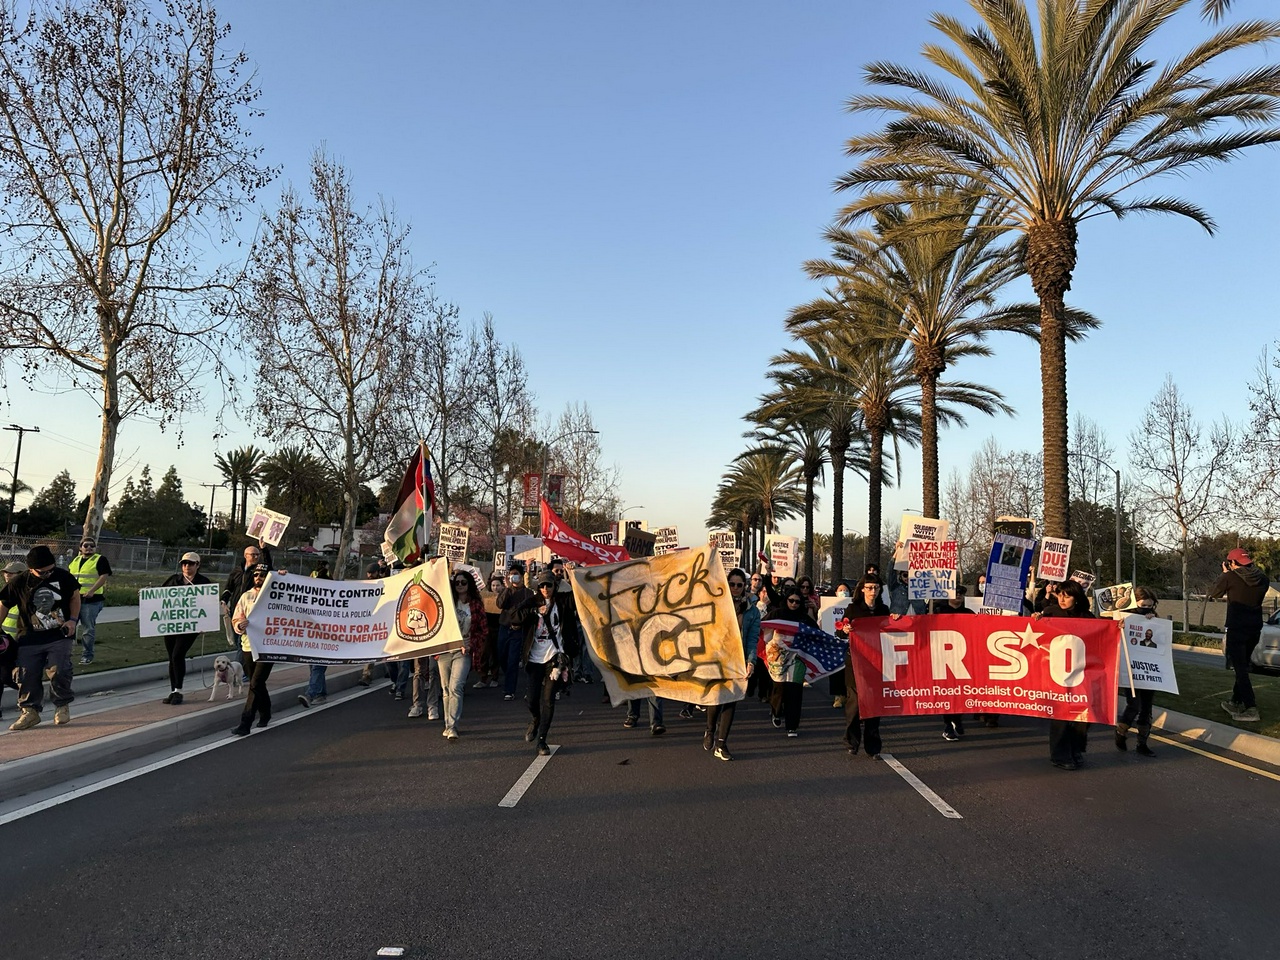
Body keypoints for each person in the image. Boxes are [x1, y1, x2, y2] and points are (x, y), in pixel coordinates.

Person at [0, 544, 80, 731]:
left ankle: (62, 706)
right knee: (26, 674)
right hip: (29, 637)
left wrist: (73, 620)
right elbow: (4, 604)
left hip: (59, 635)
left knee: (59, 669)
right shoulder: (19, 582)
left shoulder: (63, 577)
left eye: (50, 571)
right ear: (30, 569)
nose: (47, 575)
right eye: (42, 573)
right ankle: (30, 712)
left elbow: (75, 597)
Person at [516, 571, 580, 756]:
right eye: (542, 586)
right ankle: (536, 719)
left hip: (555, 657)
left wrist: (572, 573)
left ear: (555, 586)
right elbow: (513, 616)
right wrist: (534, 612)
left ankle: (542, 740)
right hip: (534, 657)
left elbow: (579, 596)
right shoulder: (533, 602)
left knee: (549, 699)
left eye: (549, 585)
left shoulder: (562, 601)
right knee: (531, 699)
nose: (545, 589)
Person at [1035, 578, 1094, 770]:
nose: (1062, 599)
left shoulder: (1087, 617)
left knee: (1081, 718)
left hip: (1080, 673)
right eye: (1060, 595)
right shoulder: (1051, 613)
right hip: (1057, 672)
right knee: (1061, 716)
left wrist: (1117, 628)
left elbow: (1101, 637)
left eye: (1067, 596)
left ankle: (1076, 750)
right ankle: (1060, 756)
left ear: (1076, 598)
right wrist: (1036, 619)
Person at [703, 567, 758, 760]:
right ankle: (710, 730)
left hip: (738, 659)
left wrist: (751, 662)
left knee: (731, 701)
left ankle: (721, 743)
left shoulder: (752, 611)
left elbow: (752, 638)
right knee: (716, 698)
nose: (735, 588)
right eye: (732, 584)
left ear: (745, 587)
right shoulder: (718, 604)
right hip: (717, 657)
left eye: (739, 585)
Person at [1209, 548, 1270, 723]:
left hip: (1237, 628)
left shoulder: (1230, 577)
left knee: (1240, 669)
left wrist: (1225, 575)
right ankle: (1235, 701)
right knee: (1242, 666)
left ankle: (1251, 708)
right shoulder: (1263, 579)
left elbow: (1215, 593)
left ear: (1233, 563)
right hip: (1255, 628)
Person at [843, 577, 894, 758]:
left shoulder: (883, 610)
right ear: (862, 589)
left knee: (874, 705)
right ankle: (852, 741)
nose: (873, 591)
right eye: (869, 588)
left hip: (876, 664)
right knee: (855, 705)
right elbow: (840, 629)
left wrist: (895, 621)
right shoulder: (853, 609)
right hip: (856, 663)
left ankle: (873, 747)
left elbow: (890, 631)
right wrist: (845, 630)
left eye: (876, 587)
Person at [434, 568, 486, 739]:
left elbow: (482, 630)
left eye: (463, 582)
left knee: (456, 687)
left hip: (463, 650)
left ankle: (452, 725)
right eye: (457, 583)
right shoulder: (447, 602)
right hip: (445, 649)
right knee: (446, 688)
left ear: (469, 584)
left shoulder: (476, 605)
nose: (460, 585)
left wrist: (471, 644)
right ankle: (448, 723)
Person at [762, 587, 816, 737]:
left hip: (797, 658)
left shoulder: (804, 618)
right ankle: (776, 712)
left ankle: (792, 726)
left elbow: (816, 632)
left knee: (795, 690)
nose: (794, 604)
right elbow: (763, 628)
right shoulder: (777, 614)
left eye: (797, 602)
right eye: (791, 600)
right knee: (779, 687)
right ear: (786, 600)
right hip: (778, 656)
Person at [159, 552, 211, 705]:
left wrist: (205, 623)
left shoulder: (203, 582)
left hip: (191, 626)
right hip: (171, 624)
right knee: (172, 658)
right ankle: (173, 690)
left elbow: (208, 605)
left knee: (177, 655)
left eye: (190, 563)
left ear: (197, 565)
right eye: (184, 563)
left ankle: (179, 690)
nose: (187, 566)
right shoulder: (173, 580)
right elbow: (159, 597)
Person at [1116, 586, 1160, 756]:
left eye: (1150, 606)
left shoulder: (1154, 619)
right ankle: (1121, 731)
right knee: (1134, 705)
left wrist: (1152, 620)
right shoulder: (1125, 617)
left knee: (1146, 708)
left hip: (1149, 670)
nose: (1146, 609)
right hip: (1131, 669)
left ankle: (1142, 743)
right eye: (1143, 606)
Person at [230, 564, 273, 736]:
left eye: (262, 575)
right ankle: (265, 713)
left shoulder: (276, 597)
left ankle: (245, 723)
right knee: (258, 683)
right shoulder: (246, 596)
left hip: (269, 647)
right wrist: (240, 625)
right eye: (256, 574)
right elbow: (236, 619)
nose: (258, 578)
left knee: (255, 683)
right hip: (248, 645)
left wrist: (283, 577)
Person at [932, 585, 974, 741]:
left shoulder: (969, 614)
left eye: (961, 594)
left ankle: (957, 719)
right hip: (943, 659)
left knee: (961, 693)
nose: (958, 596)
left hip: (962, 660)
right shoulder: (938, 612)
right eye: (955, 593)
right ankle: (948, 726)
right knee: (947, 694)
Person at [68, 535, 111, 665]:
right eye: (86, 546)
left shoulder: (100, 559)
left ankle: (87, 655)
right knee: (70, 627)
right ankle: (66, 655)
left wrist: (92, 591)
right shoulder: (75, 560)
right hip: (75, 599)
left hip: (92, 601)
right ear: (80, 548)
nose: (89, 548)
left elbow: (104, 576)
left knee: (88, 629)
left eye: (92, 546)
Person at [496, 567, 533, 702]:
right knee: (502, 656)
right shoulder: (507, 591)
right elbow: (500, 604)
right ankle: (508, 678)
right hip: (504, 628)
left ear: (522, 576)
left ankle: (509, 689)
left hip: (518, 630)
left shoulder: (527, 593)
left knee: (512, 660)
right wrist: (507, 587)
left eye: (516, 575)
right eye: (511, 575)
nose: (514, 577)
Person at [0, 560, 26, 720]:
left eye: (12, 572)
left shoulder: (26, 597)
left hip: (19, 645)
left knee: (7, 677)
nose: (7, 575)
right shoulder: (4, 594)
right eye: (5, 572)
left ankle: (31, 699)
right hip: (4, 645)